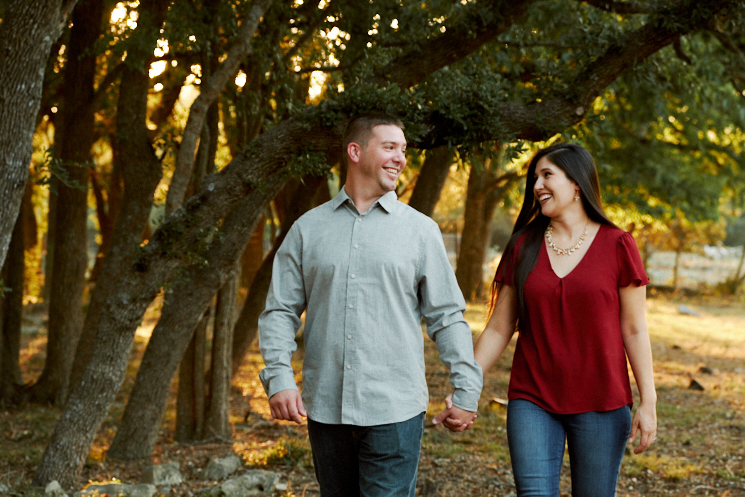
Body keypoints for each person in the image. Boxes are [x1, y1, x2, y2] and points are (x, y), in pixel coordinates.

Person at [258, 113, 483, 496]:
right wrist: (279, 378)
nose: (400, 158)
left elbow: (446, 317)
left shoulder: (420, 232)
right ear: (355, 151)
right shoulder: (307, 229)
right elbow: (280, 311)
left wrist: (466, 389)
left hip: (395, 411)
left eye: (404, 150)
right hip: (326, 408)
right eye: (390, 147)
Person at [473, 143, 657, 496]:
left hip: (602, 401)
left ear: (576, 184)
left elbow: (634, 329)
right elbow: (499, 327)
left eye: (547, 175)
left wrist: (648, 400)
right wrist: (468, 385)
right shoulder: (523, 246)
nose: (537, 185)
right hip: (533, 399)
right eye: (535, 178)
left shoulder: (619, 245)